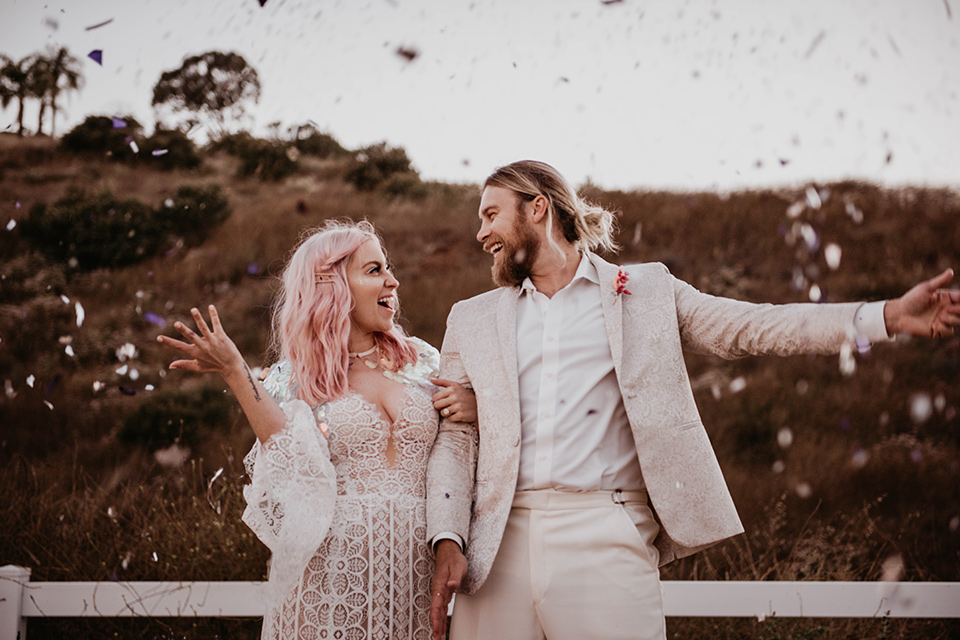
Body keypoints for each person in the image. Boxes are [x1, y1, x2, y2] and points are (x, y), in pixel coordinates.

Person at [426, 160, 960, 640]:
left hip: (605, 530)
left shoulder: (648, 290)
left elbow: (754, 324)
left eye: (491, 214)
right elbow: (455, 437)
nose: (481, 233)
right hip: (497, 544)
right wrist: (447, 537)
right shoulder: (469, 318)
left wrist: (884, 317)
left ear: (537, 208)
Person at [157, 219, 477, 640]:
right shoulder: (294, 378)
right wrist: (235, 372)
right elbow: (288, 464)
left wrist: (477, 406)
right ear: (334, 285)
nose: (393, 281)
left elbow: (463, 448)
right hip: (326, 581)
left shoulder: (424, 361)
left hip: (416, 577)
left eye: (388, 268)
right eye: (375, 270)